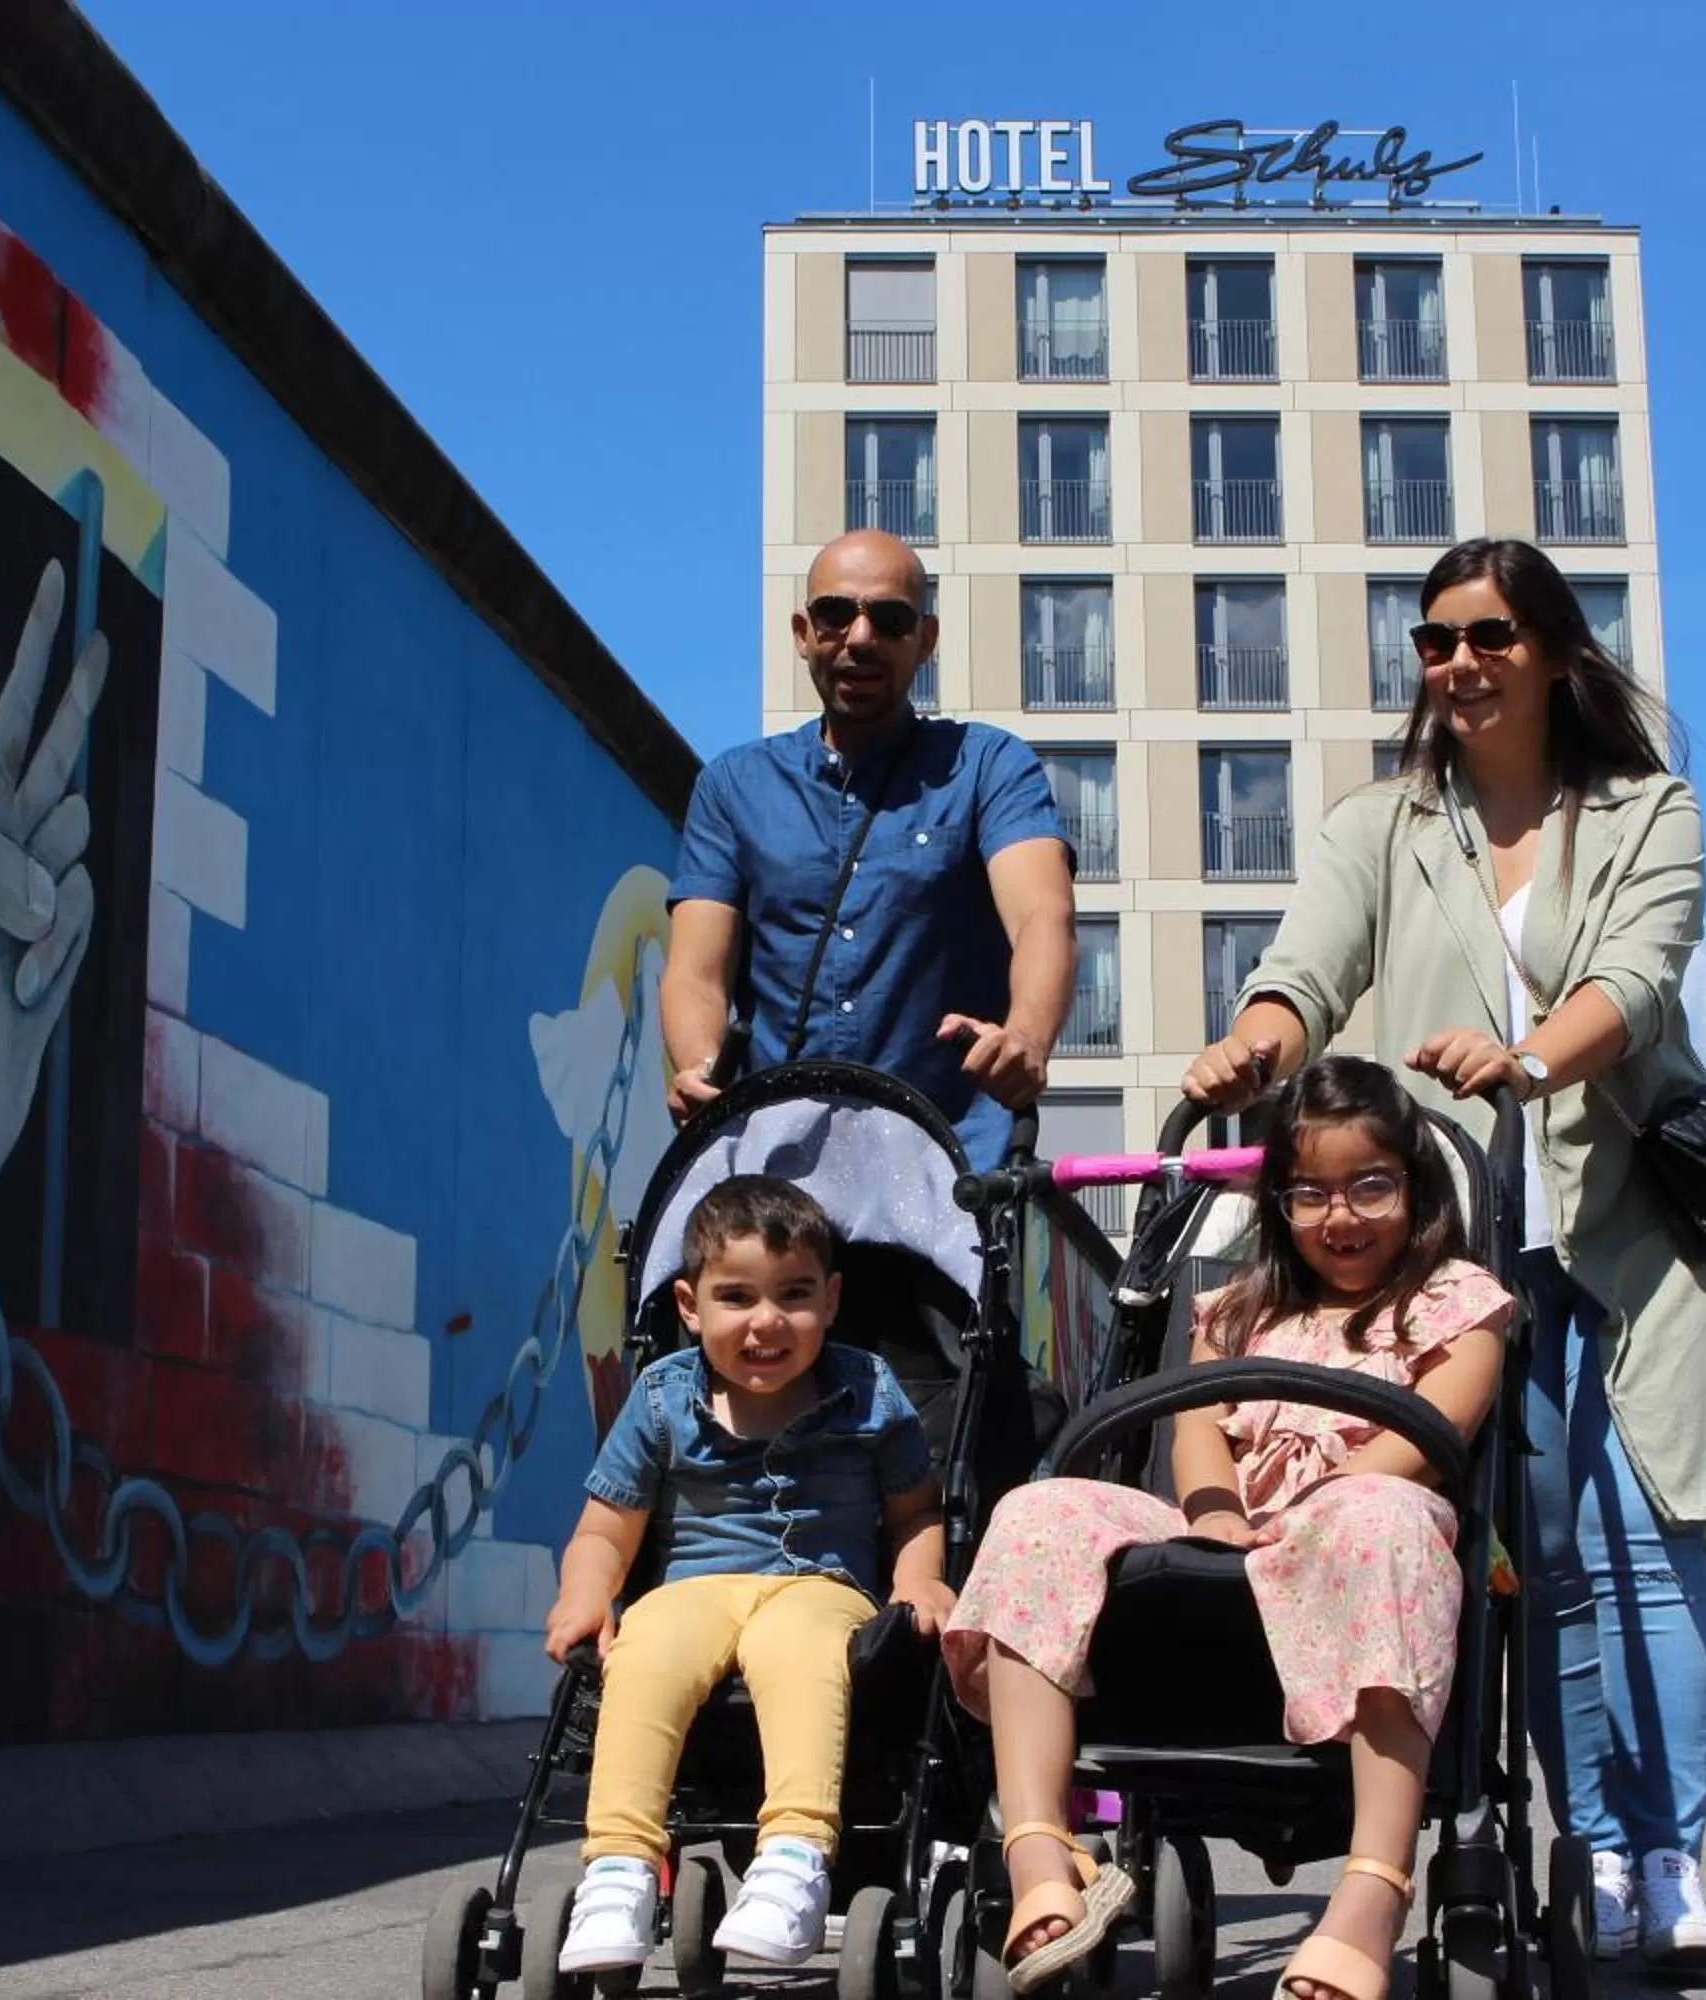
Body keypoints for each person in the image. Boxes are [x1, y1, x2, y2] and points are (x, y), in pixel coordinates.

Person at [1182, 537, 1706, 1969]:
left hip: (1620, 1237)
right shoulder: (1384, 826)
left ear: (1555, 651)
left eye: (1489, 634)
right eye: (1435, 640)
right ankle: (1601, 1853)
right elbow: (1307, 970)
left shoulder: (1645, 811)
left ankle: (1671, 1851)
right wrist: (1256, 1043)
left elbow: (1636, 979)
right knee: (1547, 1562)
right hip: (1455, 1262)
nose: (1458, 663)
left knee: (1645, 1544)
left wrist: (1526, 1055)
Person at [943, 1058, 1507, 1999]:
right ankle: (1040, 1843)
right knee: (1037, 1511)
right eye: (1310, 1193)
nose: (1343, 1216)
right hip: (1231, 1528)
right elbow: (1196, 1428)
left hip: (1362, 1523)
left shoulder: (1458, 1301)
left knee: (1375, 1516)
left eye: (1372, 1186)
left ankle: (1373, 1889)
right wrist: (1215, 1514)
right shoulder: (1238, 1308)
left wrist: (1312, 1517)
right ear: (1278, 1202)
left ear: (1416, 1186)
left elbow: (1432, 1434)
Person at [539, 1175, 960, 1974]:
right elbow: (606, 1526)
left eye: (794, 1295)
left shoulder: (868, 1390)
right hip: (694, 1589)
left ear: (831, 1300)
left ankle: (795, 1857)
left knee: (798, 1649)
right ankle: (620, 1868)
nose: (767, 1321)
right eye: (736, 1298)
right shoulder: (663, 1398)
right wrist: (586, 1591)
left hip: (820, 1587)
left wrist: (921, 1580)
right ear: (690, 1308)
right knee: (645, 1652)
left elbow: (915, 1513)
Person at [663, 529, 1075, 1168]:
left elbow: (1043, 916)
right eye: (835, 615)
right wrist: (697, 1065)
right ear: (802, 633)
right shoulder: (732, 785)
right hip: (778, 1170)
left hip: (953, 1168)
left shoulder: (989, 765)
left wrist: (1026, 1036)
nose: (860, 638)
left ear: (925, 641)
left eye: (889, 619)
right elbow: (696, 969)